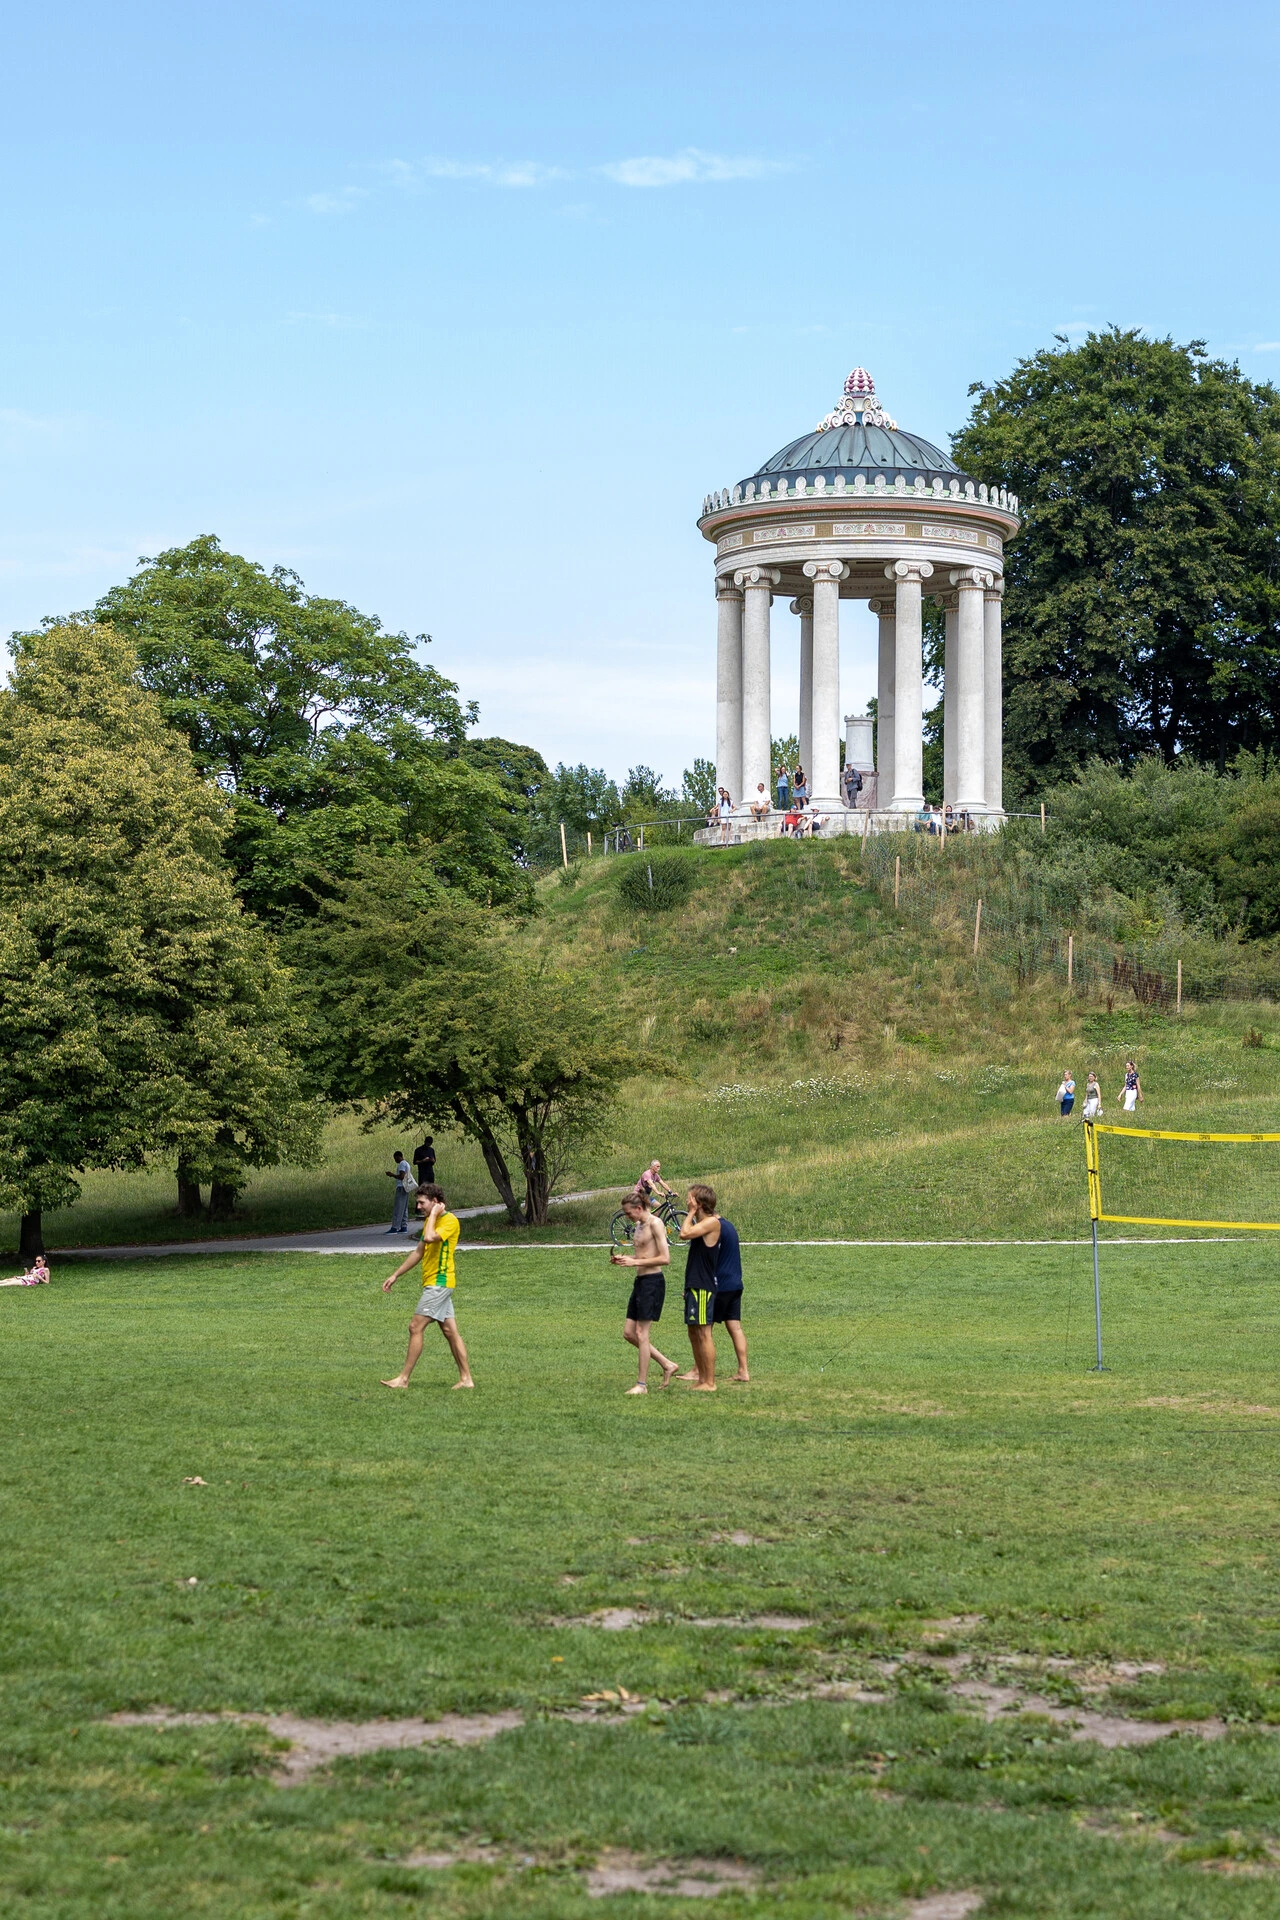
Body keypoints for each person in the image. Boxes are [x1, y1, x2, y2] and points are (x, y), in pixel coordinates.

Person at [380, 1185, 474, 1390]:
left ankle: (403, 1379)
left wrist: (433, 1215)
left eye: (422, 1202)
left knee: (415, 1326)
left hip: (439, 1283)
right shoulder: (430, 1222)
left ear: (436, 1202)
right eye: (418, 1202)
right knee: (450, 1331)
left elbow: (432, 1237)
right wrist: (395, 1275)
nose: (418, 1206)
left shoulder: (449, 1221)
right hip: (436, 1283)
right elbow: (418, 1252)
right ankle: (466, 1379)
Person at [677, 1184, 748, 1388]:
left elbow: (683, 1233)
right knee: (696, 1331)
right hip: (697, 1283)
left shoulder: (711, 1223)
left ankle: (709, 1382)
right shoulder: (708, 1223)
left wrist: (690, 1213)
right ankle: (701, 1377)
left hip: (706, 1285)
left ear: (699, 1203)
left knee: (704, 1332)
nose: (686, 1201)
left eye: (690, 1199)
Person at [609, 1192, 680, 1394]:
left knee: (641, 1333)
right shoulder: (639, 1226)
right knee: (629, 1333)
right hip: (640, 1281)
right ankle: (667, 1364)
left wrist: (635, 1262)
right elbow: (642, 1254)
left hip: (653, 1283)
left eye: (628, 1213)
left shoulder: (655, 1224)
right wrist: (625, 1259)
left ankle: (641, 1385)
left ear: (639, 1208)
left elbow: (665, 1258)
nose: (627, 1217)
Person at [385, 1150, 416, 1233]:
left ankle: (395, 1227)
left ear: (398, 1156)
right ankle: (403, 1226)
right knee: (404, 1207)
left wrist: (392, 1175)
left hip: (401, 1187)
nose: (395, 1160)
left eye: (395, 1158)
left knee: (398, 1207)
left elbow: (402, 1176)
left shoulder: (402, 1164)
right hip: (406, 1187)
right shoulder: (407, 1163)